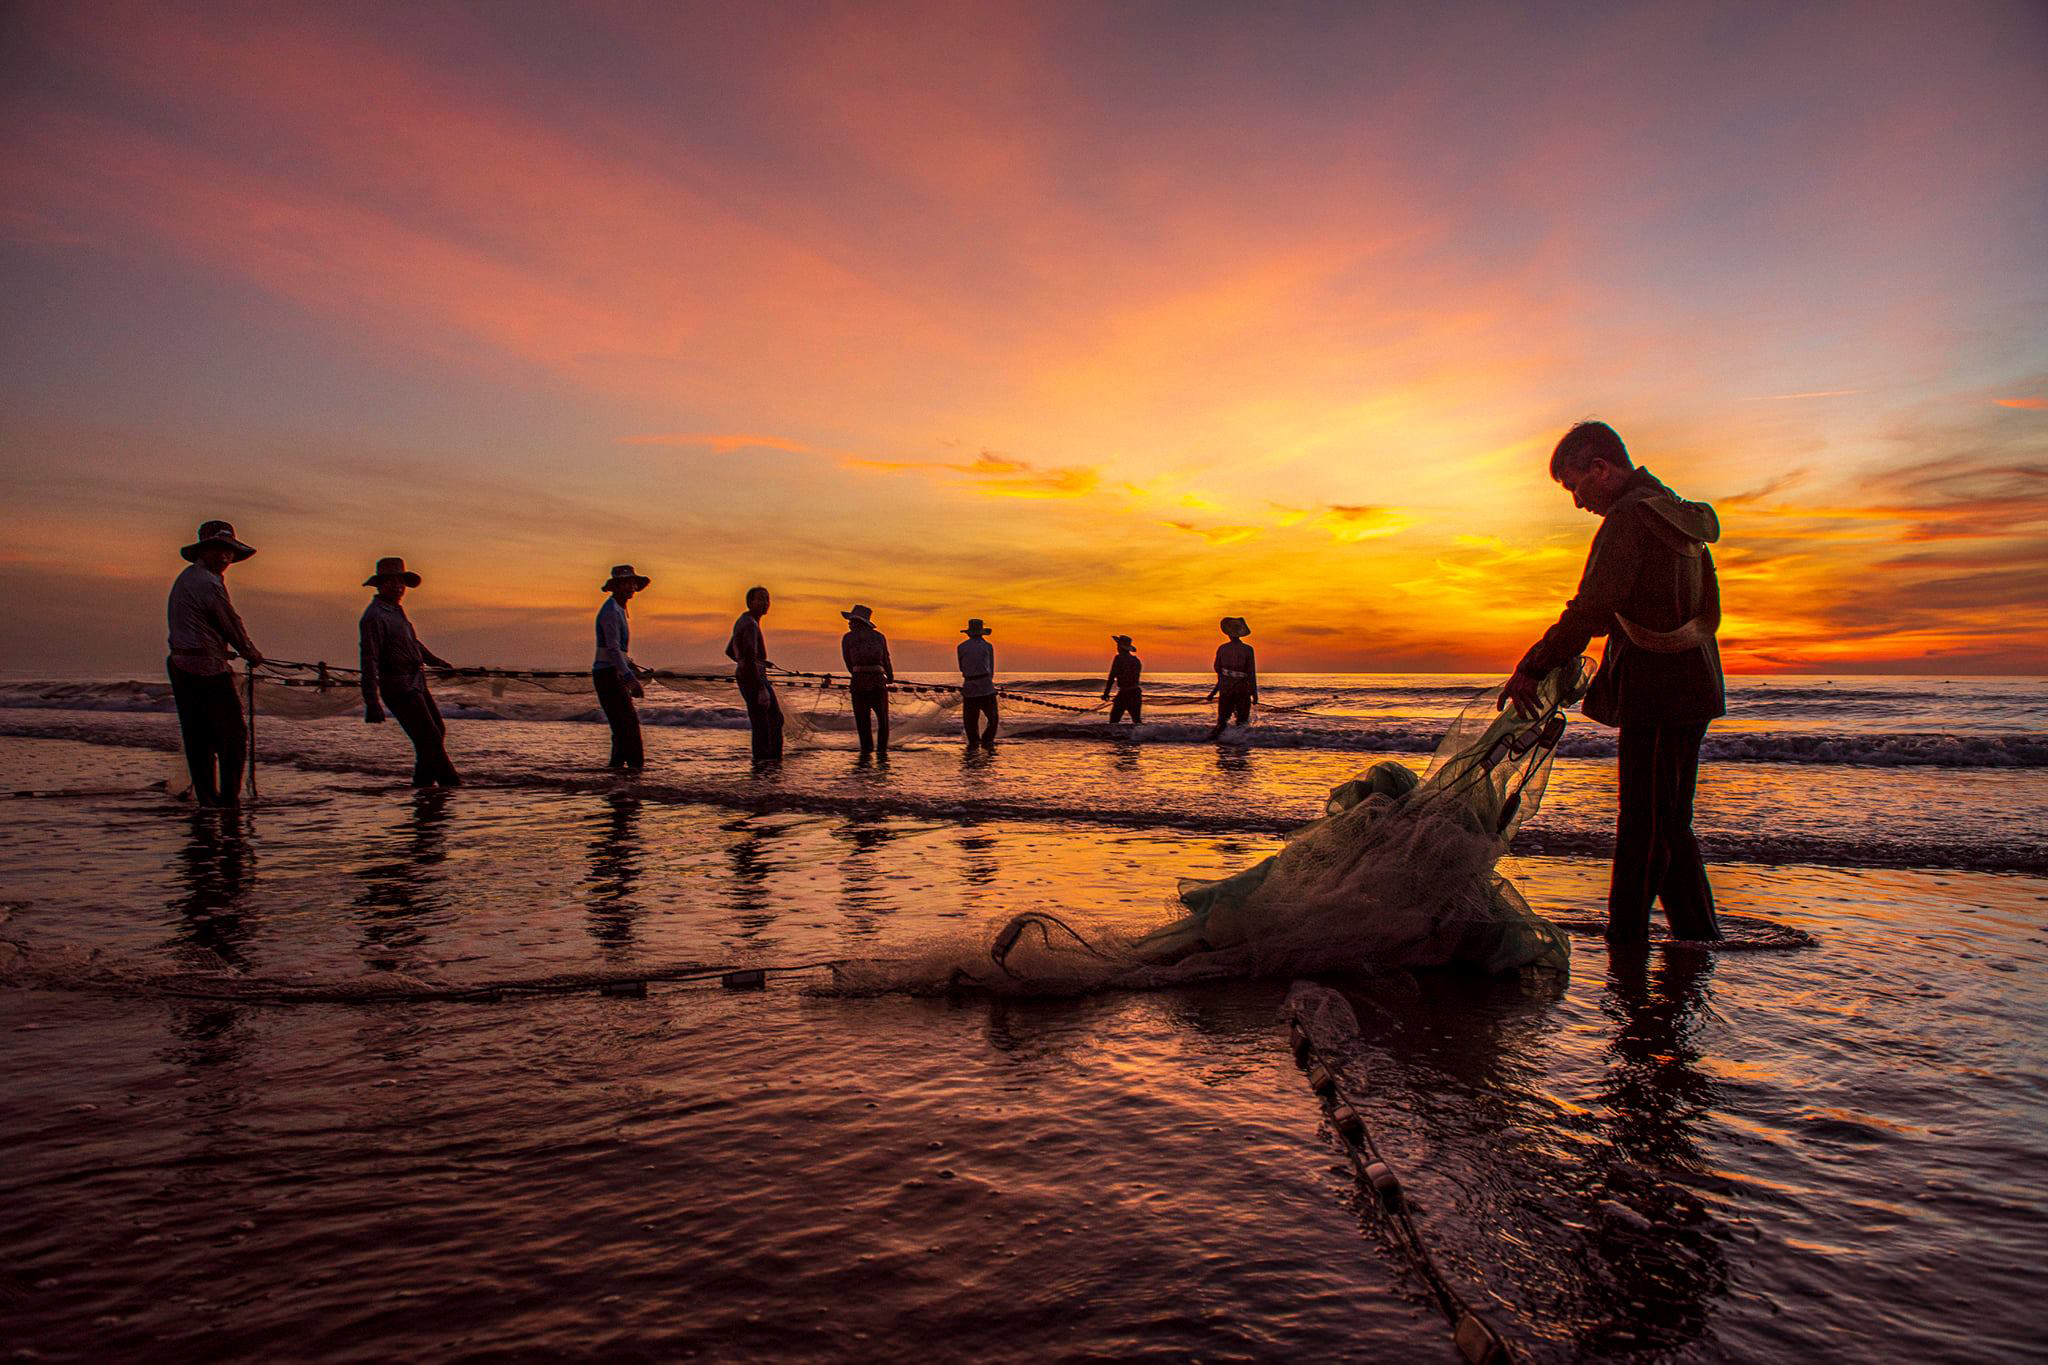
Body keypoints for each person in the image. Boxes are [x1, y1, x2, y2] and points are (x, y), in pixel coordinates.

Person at [1499, 420, 1724, 944]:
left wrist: (1533, 665)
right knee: (1670, 821)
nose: (1579, 503)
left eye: (1577, 486)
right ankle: (1698, 935)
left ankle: (1626, 942)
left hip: (1658, 688)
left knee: (1643, 823)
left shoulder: (1630, 518)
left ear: (1602, 468)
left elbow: (1592, 610)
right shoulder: (1678, 513)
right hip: (1696, 684)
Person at [165, 520, 264, 806]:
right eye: (219, 550)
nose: (225, 557)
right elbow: (229, 622)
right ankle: (228, 799)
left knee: (199, 736)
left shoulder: (189, 577)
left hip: (183, 665)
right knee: (233, 736)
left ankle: (209, 797)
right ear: (204, 551)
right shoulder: (207, 582)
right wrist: (249, 652)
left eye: (229, 551)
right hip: (205, 669)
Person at [359, 557, 462, 788]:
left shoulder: (396, 611)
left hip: (416, 680)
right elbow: (369, 659)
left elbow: (412, 643)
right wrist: (371, 701)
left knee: (437, 730)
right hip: (398, 684)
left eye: (401, 582)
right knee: (430, 736)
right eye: (392, 581)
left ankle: (423, 783)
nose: (398, 586)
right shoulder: (374, 616)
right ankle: (451, 784)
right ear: (379, 584)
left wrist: (436, 661)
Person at [594, 565, 649, 771]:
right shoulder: (610, 611)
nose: (631, 587)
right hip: (608, 675)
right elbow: (612, 649)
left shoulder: (619, 609)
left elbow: (619, 652)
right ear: (615, 586)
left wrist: (632, 667)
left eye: (632, 583)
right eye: (625, 583)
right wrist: (630, 679)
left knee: (621, 728)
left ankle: (616, 769)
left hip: (612, 672)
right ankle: (635, 770)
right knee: (628, 726)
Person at [726, 586, 782, 763]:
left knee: (765, 720)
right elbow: (748, 658)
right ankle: (767, 762)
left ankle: (764, 762)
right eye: (761, 599)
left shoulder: (745, 620)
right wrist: (760, 689)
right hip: (753, 679)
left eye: (767, 599)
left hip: (748, 675)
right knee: (770, 720)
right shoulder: (750, 624)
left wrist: (758, 661)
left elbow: (730, 651)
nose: (766, 603)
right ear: (750, 602)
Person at [839, 604, 895, 756]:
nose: (849, 623)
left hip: (858, 682)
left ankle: (866, 750)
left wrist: (858, 673)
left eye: (851, 620)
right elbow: (886, 659)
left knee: (862, 721)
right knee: (883, 719)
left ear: (858, 621)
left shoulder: (848, 638)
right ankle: (882, 751)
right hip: (878, 681)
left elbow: (848, 662)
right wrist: (890, 675)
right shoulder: (879, 637)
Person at [1205, 617, 1257, 739]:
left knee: (1222, 721)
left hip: (1226, 690)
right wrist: (1255, 694)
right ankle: (1240, 746)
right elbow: (1251, 674)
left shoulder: (1223, 649)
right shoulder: (1248, 649)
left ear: (1228, 633)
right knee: (1242, 722)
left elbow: (1220, 674)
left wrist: (1213, 693)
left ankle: (1217, 744)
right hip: (1243, 690)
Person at [957, 618, 998, 749]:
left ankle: (974, 744)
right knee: (993, 719)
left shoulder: (961, 647)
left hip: (969, 686)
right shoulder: (988, 646)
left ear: (969, 633)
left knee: (970, 721)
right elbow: (991, 669)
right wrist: (988, 682)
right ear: (982, 633)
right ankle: (987, 741)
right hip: (986, 686)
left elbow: (961, 668)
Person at [1102, 634, 1143, 723]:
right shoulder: (1136, 660)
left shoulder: (1119, 658)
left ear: (1120, 647)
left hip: (1124, 693)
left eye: (1118, 646)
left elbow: (1112, 676)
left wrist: (1106, 693)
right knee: (1136, 720)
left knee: (1114, 719)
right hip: (1136, 693)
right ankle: (1140, 735)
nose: (1117, 647)